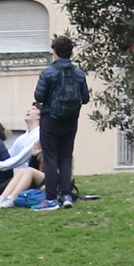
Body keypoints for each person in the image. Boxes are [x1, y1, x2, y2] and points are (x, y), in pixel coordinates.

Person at [29, 34, 91, 208]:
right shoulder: (78, 73)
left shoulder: (48, 72)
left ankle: (50, 198)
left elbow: (39, 96)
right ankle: (66, 196)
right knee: (65, 158)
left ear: (54, 51)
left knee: (50, 158)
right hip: (71, 120)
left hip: (50, 119)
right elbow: (85, 98)